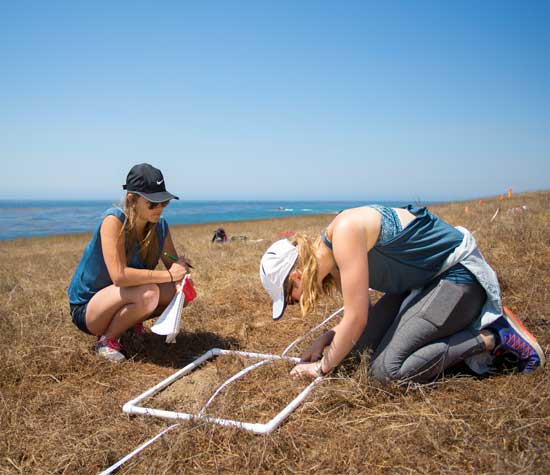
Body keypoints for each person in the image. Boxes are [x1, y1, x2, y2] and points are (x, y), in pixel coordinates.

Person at [260, 204, 545, 382]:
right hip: (423, 283)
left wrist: (321, 368)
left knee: (386, 371)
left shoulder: (344, 232)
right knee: (355, 352)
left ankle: (494, 336)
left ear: (296, 278)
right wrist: (327, 338)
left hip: (458, 277)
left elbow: (357, 320)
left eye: (292, 299)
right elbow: (358, 316)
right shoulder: (333, 256)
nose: (298, 304)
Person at [68, 163, 191, 362]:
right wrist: (169, 275)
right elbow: (120, 276)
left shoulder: (159, 227)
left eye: (164, 202)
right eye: (152, 203)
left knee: (182, 292)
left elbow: (172, 263)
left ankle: (129, 324)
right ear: (132, 200)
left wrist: (180, 270)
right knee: (149, 293)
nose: (159, 208)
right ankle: (106, 341)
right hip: (89, 308)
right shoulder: (114, 220)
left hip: (125, 295)